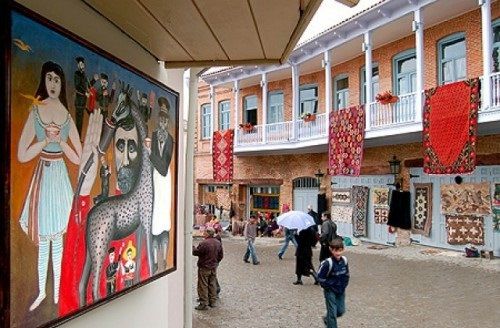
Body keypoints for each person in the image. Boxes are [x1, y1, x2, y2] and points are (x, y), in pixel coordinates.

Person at [17, 61, 83, 311]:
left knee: (58, 238)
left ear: (62, 84)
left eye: (57, 79)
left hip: (59, 177)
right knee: (45, 237)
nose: (53, 84)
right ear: (44, 81)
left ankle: (56, 292)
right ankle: (42, 292)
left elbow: (77, 157)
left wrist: (61, 142)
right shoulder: (36, 111)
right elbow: (22, 154)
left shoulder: (66, 115)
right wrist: (45, 139)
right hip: (43, 177)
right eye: (50, 78)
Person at [149, 96, 174, 273]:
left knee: (162, 215)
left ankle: (163, 259)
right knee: (153, 216)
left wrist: (150, 153)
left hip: (163, 180)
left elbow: (164, 168)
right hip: (153, 177)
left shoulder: (170, 140)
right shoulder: (154, 135)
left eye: (166, 119)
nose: (163, 122)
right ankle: (155, 260)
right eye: (161, 119)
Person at [317, 238, 350, 328]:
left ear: (343, 249)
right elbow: (320, 277)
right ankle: (331, 323)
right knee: (332, 313)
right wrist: (328, 286)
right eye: (335, 250)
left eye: (340, 250)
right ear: (331, 250)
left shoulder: (344, 261)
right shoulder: (328, 263)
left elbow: (346, 274)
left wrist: (344, 284)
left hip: (341, 290)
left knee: (340, 311)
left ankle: (327, 319)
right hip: (330, 291)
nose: (338, 253)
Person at [192, 227, 223, 310]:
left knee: (203, 285)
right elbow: (221, 255)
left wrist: (193, 248)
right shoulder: (218, 242)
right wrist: (216, 262)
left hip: (204, 267)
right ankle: (212, 301)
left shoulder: (204, 243)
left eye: (205, 232)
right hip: (213, 267)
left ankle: (204, 303)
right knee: (212, 284)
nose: (203, 233)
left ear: (207, 233)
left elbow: (196, 252)